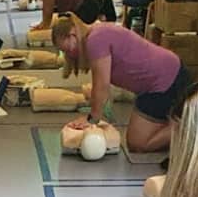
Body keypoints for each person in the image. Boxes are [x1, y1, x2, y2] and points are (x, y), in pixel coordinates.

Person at [53, 14, 188, 152]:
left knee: (138, 143)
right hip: (161, 79)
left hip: (165, 81)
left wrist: (92, 119)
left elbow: (101, 85)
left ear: (72, 34)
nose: (68, 55)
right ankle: (176, 124)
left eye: (66, 50)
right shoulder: (96, 33)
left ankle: (187, 128)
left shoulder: (95, 40)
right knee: (141, 138)